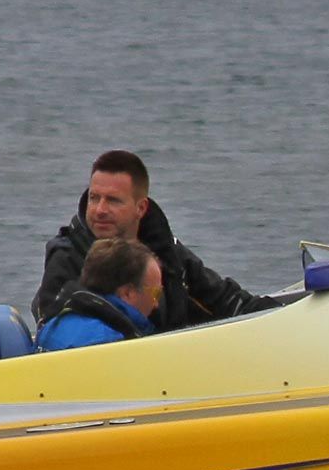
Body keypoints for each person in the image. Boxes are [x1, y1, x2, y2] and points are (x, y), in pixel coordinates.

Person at [32, 150, 279, 332]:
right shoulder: (66, 256)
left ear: (141, 208)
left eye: (113, 200)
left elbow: (227, 301)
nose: (99, 210)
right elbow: (51, 326)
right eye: (94, 198)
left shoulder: (168, 254)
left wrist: (289, 316)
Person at [36, 237, 160, 350]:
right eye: (156, 293)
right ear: (127, 293)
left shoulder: (54, 322)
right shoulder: (109, 344)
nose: (156, 304)